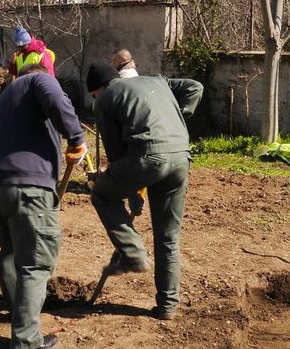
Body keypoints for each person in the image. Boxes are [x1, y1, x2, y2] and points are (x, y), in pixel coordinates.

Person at [0, 63, 85, 349]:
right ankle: (26, 339)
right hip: (28, 188)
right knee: (35, 263)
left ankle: (18, 314)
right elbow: (53, 94)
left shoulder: (2, 101)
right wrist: (76, 137)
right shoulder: (38, 79)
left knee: (11, 253)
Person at [85, 62, 203, 321]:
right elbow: (195, 87)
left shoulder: (105, 101)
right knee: (168, 237)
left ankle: (132, 253)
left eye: (94, 94)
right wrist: (179, 116)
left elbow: (117, 157)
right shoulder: (158, 80)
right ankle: (168, 305)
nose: (95, 99)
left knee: (101, 194)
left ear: (100, 89)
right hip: (181, 158)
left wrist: (130, 191)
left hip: (146, 158)